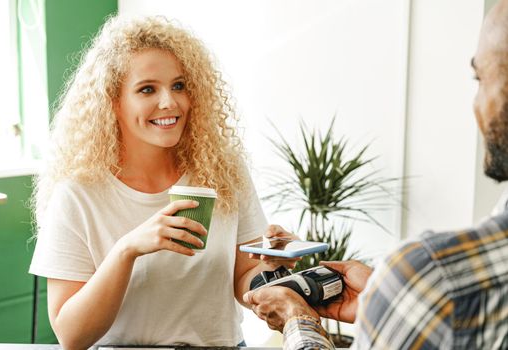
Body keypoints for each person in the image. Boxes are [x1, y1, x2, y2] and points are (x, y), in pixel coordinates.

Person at [244, 1, 508, 349]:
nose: (476, 102)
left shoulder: (436, 277)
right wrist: (386, 300)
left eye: (480, 78)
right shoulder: (434, 285)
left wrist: (299, 319)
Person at [28, 14, 297, 349]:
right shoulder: (78, 194)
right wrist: (127, 250)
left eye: (179, 85)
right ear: (113, 101)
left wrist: (271, 267)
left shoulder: (223, 171)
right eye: (147, 89)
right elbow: (71, 336)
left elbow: (245, 280)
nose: (169, 102)